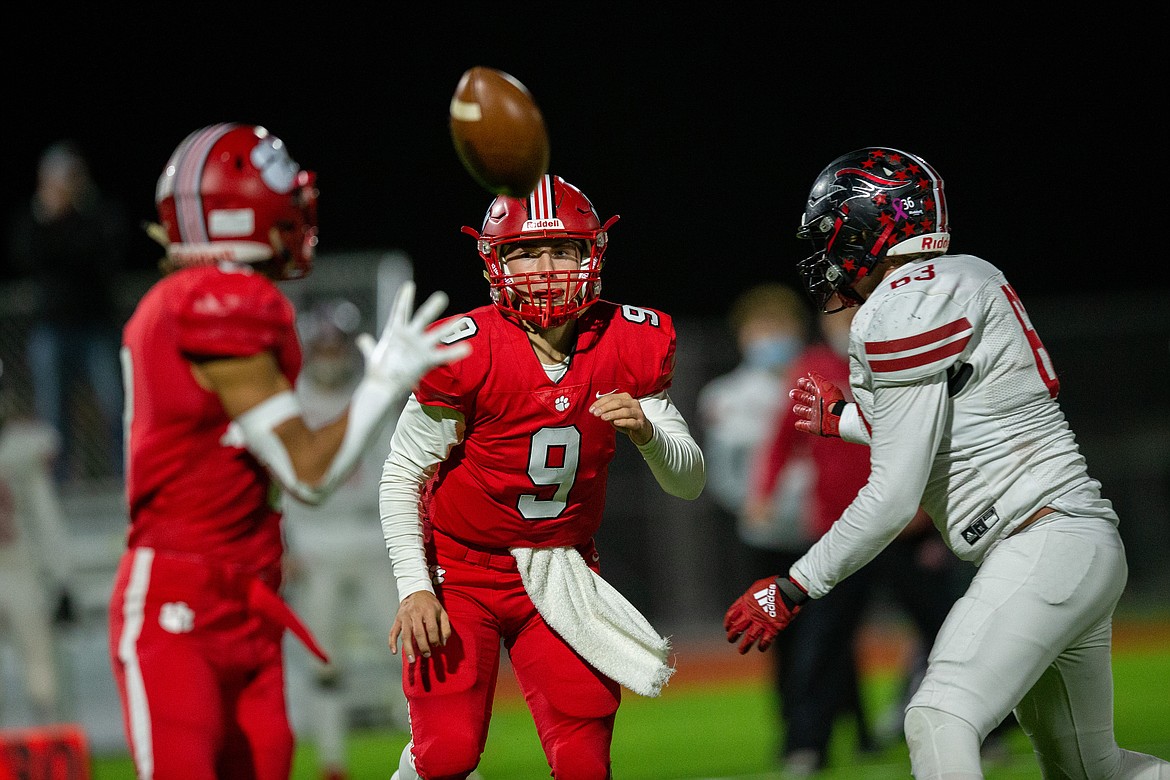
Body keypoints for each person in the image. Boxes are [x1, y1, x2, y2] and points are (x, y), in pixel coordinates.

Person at [724, 146, 1170, 779]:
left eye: (833, 234)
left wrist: (796, 585)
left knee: (938, 716)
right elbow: (952, 424)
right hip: (1073, 536)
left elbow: (894, 495)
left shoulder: (899, 309)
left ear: (867, 226)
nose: (828, 255)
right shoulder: (967, 273)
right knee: (1093, 771)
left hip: (1038, 542)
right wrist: (848, 421)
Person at [106, 123, 469, 780]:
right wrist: (382, 381)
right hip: (182, 602)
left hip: (249, 595)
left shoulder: (221, 300)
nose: (299, 217)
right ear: (244, 209)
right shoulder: (211, 301)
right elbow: (309, 474)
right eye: (286, 202)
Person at [379, 174, 706, 780]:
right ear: (494, 261)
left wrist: (647, 434)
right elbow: (402, 473)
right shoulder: (465, 349)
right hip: (462, 571)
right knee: (446, 756)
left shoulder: (629, 340)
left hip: (561, 570)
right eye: (526, 251)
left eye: (562, 249)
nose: (545, 267)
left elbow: (687, 482)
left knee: (583, 765)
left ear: (592, 256)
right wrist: (414, 586)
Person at [744, 305, 969, 775]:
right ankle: (807, 744)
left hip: (907, 528)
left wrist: (932, 511)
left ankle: (986, 731)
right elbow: (785, 434)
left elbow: (936, 437)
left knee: (954, 632)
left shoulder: (900, 356)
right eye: (836, 311)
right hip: (840, 530)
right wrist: (764, 490)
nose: (844, 320)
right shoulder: (813, 367)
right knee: (822, 642)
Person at [283, 297, 409, 780]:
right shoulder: (291, 401)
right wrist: (284, 544)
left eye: (338, 342)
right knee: (324, 664)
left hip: (374, 536)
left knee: (409, 655)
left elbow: (401, 471)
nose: (332, 350)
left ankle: (434, 755)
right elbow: (277, 481)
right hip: (314, 542)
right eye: (324, 342)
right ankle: (332, 763)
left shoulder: (371, 395)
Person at [5, 140, 128, 483]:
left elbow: (100, 256)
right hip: (52, 328)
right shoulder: (36, 217)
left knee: (114, 408)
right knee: (53, 418)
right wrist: (49, 217)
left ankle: (126, 480)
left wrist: (72, 220)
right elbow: (26, 257)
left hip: (96, 326)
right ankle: (59, 489)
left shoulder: (97, 212)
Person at [695, 283, 812, 594]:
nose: (772, 337)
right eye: (763, 327)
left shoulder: (825, 387)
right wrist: (746, 503)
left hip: (827, 527)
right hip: (764, 532)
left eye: (780, 325)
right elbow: (719, 467)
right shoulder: (725, 395)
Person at [0, 360, 76, 726]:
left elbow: (45, 517)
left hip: (17, 563)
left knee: (42, 668)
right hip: (16, 566)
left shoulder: (22, 448)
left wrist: (62, 578)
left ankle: (51, 750)